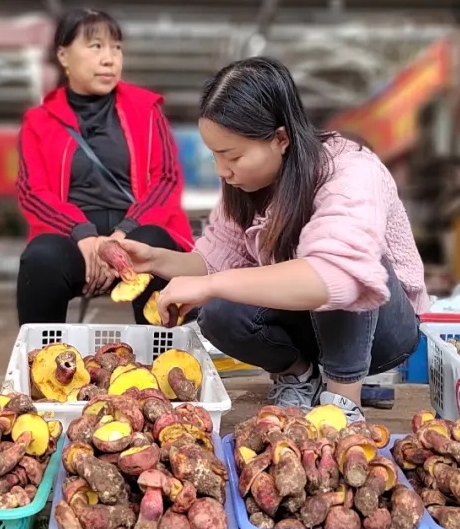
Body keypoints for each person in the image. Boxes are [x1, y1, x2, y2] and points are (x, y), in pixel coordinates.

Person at [115, 57, 428, 422]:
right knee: (216, 311)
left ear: (280, 138)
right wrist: (153, 260)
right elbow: (213, 261)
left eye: (231, 155)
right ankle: (300, 376)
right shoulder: (246, 186)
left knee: (343, 263)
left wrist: (211, 284)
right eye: (215, 155)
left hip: (380, 334)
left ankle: (343, 399)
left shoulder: (350, 170)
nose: (221, 170)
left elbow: (336, 277)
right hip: (308, 322)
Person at [15, 8, 194, 325]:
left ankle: (164, 359)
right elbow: (32, 192)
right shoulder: (38, 122)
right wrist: (83, 235)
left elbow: (166, 180)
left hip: (136, 240)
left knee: (157, 242)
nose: (110, 58)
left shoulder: (147, 111)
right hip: (73, 243)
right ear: (63, 56)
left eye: (117, 48)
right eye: (96, 46)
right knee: (42, 258)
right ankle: (42, 362)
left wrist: (123, 235)